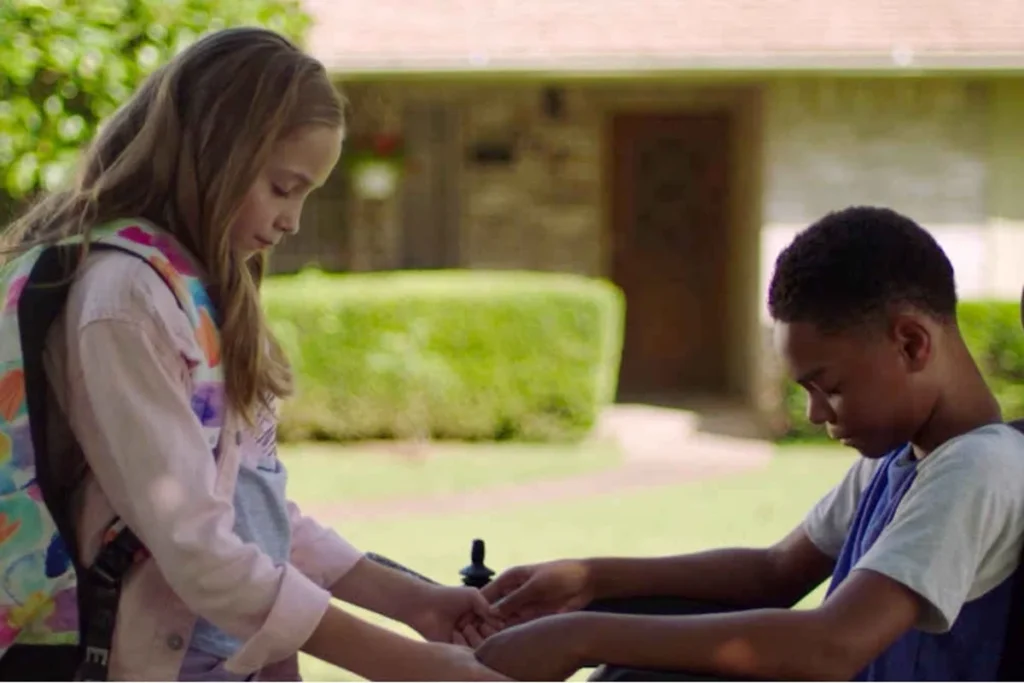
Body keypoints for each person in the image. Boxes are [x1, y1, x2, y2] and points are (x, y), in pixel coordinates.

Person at [0, 27, 504, 681]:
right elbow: (197, 547)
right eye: (283, 187)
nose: (293, 220)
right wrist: (408, 664)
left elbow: (252, 508)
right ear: (214, 155)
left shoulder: (194, 292)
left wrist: (416, 602)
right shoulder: (124, 301)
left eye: (306, 194)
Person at [472, 206, 1024, 681]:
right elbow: (774, 573)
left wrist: (581, 636)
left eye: (830, 387)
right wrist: (589, 580)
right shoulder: (905, 461)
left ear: (910, 342)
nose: (815, 413)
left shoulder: (978, 469)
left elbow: (831, 646)